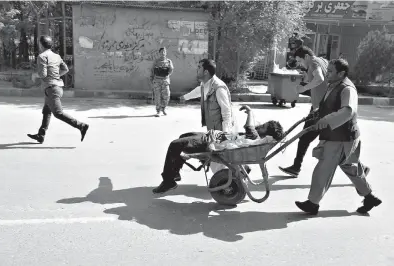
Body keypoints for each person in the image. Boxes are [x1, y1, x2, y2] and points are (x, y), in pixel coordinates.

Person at [295, 59, 382, 215]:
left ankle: (312, 204)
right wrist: (318, 112)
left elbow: (348, 111)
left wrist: (326, 120)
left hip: (341, 138)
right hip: (340, 136)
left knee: (323, 168)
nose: (326, 73)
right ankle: (369, 197)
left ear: (341, 73)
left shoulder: (347, 89)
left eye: (330, 71)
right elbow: (330, 104)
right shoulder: (334, 84)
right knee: (350, 167)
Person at [152, 105, 284, 194]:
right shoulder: (257, 142)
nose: (260, 126)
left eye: (263, 126)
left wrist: (250, 112)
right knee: (184, 137)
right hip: (217, 137)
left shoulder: (255, 138)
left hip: (213, 141)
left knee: (175, 144)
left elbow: (249, 126)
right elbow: (250, 128)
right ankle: (175, 173)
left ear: (267, 134)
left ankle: (168, 181)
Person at [27, 35, 89, 144]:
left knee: (58, 113)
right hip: (56, 87)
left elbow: (42, 74)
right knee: (47, 111)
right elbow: (65, 69)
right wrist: (55, 76)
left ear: (41, 45)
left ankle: (81, 126)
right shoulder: (57, 56)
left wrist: (34, 75)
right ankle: (40, 135)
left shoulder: (42, 56)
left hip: (51, 89)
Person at [279, 46, 329, 178]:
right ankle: (360, 169)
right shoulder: (322, 61)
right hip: (325, 107)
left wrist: (303, 88)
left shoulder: (313, 62)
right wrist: (306, 83)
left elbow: (319, 79)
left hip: (321, 110)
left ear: (306, 56)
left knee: (305, 138)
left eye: (300, 61)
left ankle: (296, 167)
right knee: (336, 143)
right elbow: (321, 82)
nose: (300, 64)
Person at [179, 59, 234, 174]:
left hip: (221, 130)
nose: (197, 69)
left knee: (218, 158)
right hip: (212, 128)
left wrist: (225, 134)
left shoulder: (219, 88)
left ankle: (225, 180)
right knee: (216, 157)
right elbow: (199, 91)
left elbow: (226, 112)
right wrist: (186, 97)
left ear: (206, 72)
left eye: (199, 67)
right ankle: (224, 179)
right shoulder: (205, 85)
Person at [150, 47, 174, 117]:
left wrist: (167, 72)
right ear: (159, 53)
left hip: (165, 81)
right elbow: (152, 70)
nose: (163, 53)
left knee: (167, 95)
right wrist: (151, 79)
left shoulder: (168, 61)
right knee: (157, 96)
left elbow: (171, 70)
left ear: (166, 53)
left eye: (164, 52)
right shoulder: (156, 61)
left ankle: (163, 108)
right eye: (161, 52)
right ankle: (158, 111)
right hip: (157, 80)